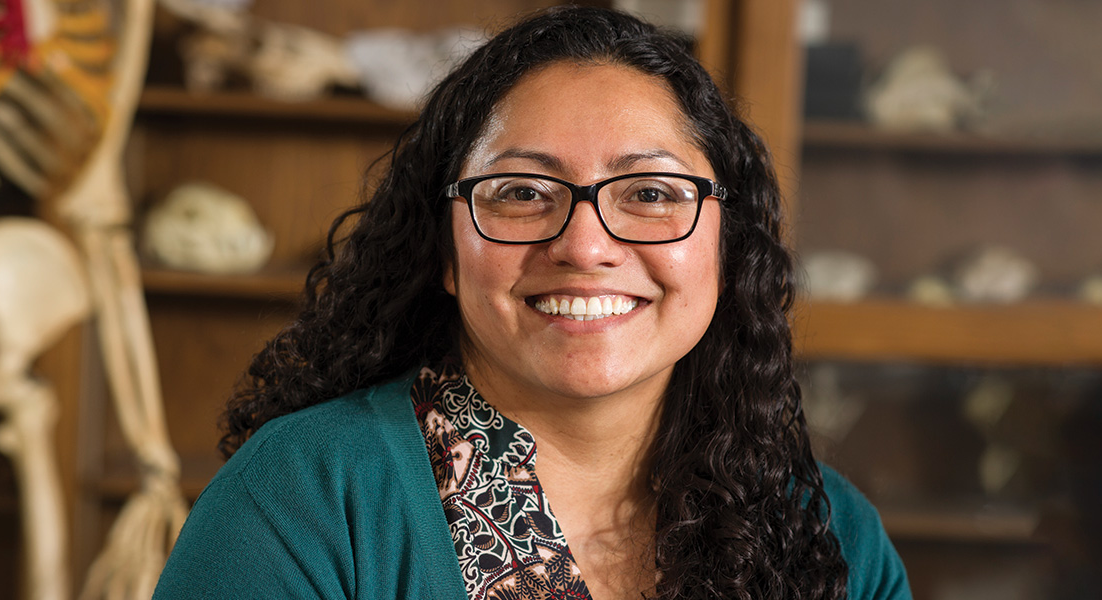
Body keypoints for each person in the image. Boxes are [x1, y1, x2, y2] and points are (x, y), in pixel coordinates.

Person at [153, 6, 910, 600]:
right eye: (521, 192)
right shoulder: (304, 501)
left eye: (650, 193)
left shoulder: (830, 532)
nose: (585, 246)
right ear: (445, 251)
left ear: (727, 244)